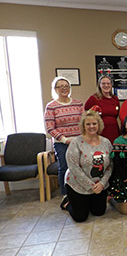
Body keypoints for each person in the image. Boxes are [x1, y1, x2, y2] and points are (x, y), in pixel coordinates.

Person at [63, 110, 113, 222]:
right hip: (77, 185)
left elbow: (110, 166)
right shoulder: (75, 142)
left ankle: (88, 201)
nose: (91, 126)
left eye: (94, 123)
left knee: (99, 212)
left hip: (99, 185)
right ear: (83, 126)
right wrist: (91, 186)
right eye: (88, 124)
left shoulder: (106, 142)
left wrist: (102, 183)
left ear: (99, 125)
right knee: (80, 217)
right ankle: (67, 202)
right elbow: (74, 167)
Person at [44, 77, 84, 208]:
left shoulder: (78, 103)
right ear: (55, 89)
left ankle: (81, 191)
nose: (64, 88)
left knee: (82, 167)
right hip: (62, 143)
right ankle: (66, 195)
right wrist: (65, 140)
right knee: (65, 168)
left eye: (66, 85)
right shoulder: (51, 106)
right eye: (60, 86)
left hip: (79, 142)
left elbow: (85, 122)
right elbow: (50, 128)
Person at [84, 75, 120, 143]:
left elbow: (116, 115)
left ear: (111, 85)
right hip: (100, 132)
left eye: (108, 83)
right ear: (99, 85)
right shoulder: (94, 98)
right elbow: (86, 115)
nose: (106, 85)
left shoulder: (115, 99)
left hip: (114, 130)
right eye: (103, 83)